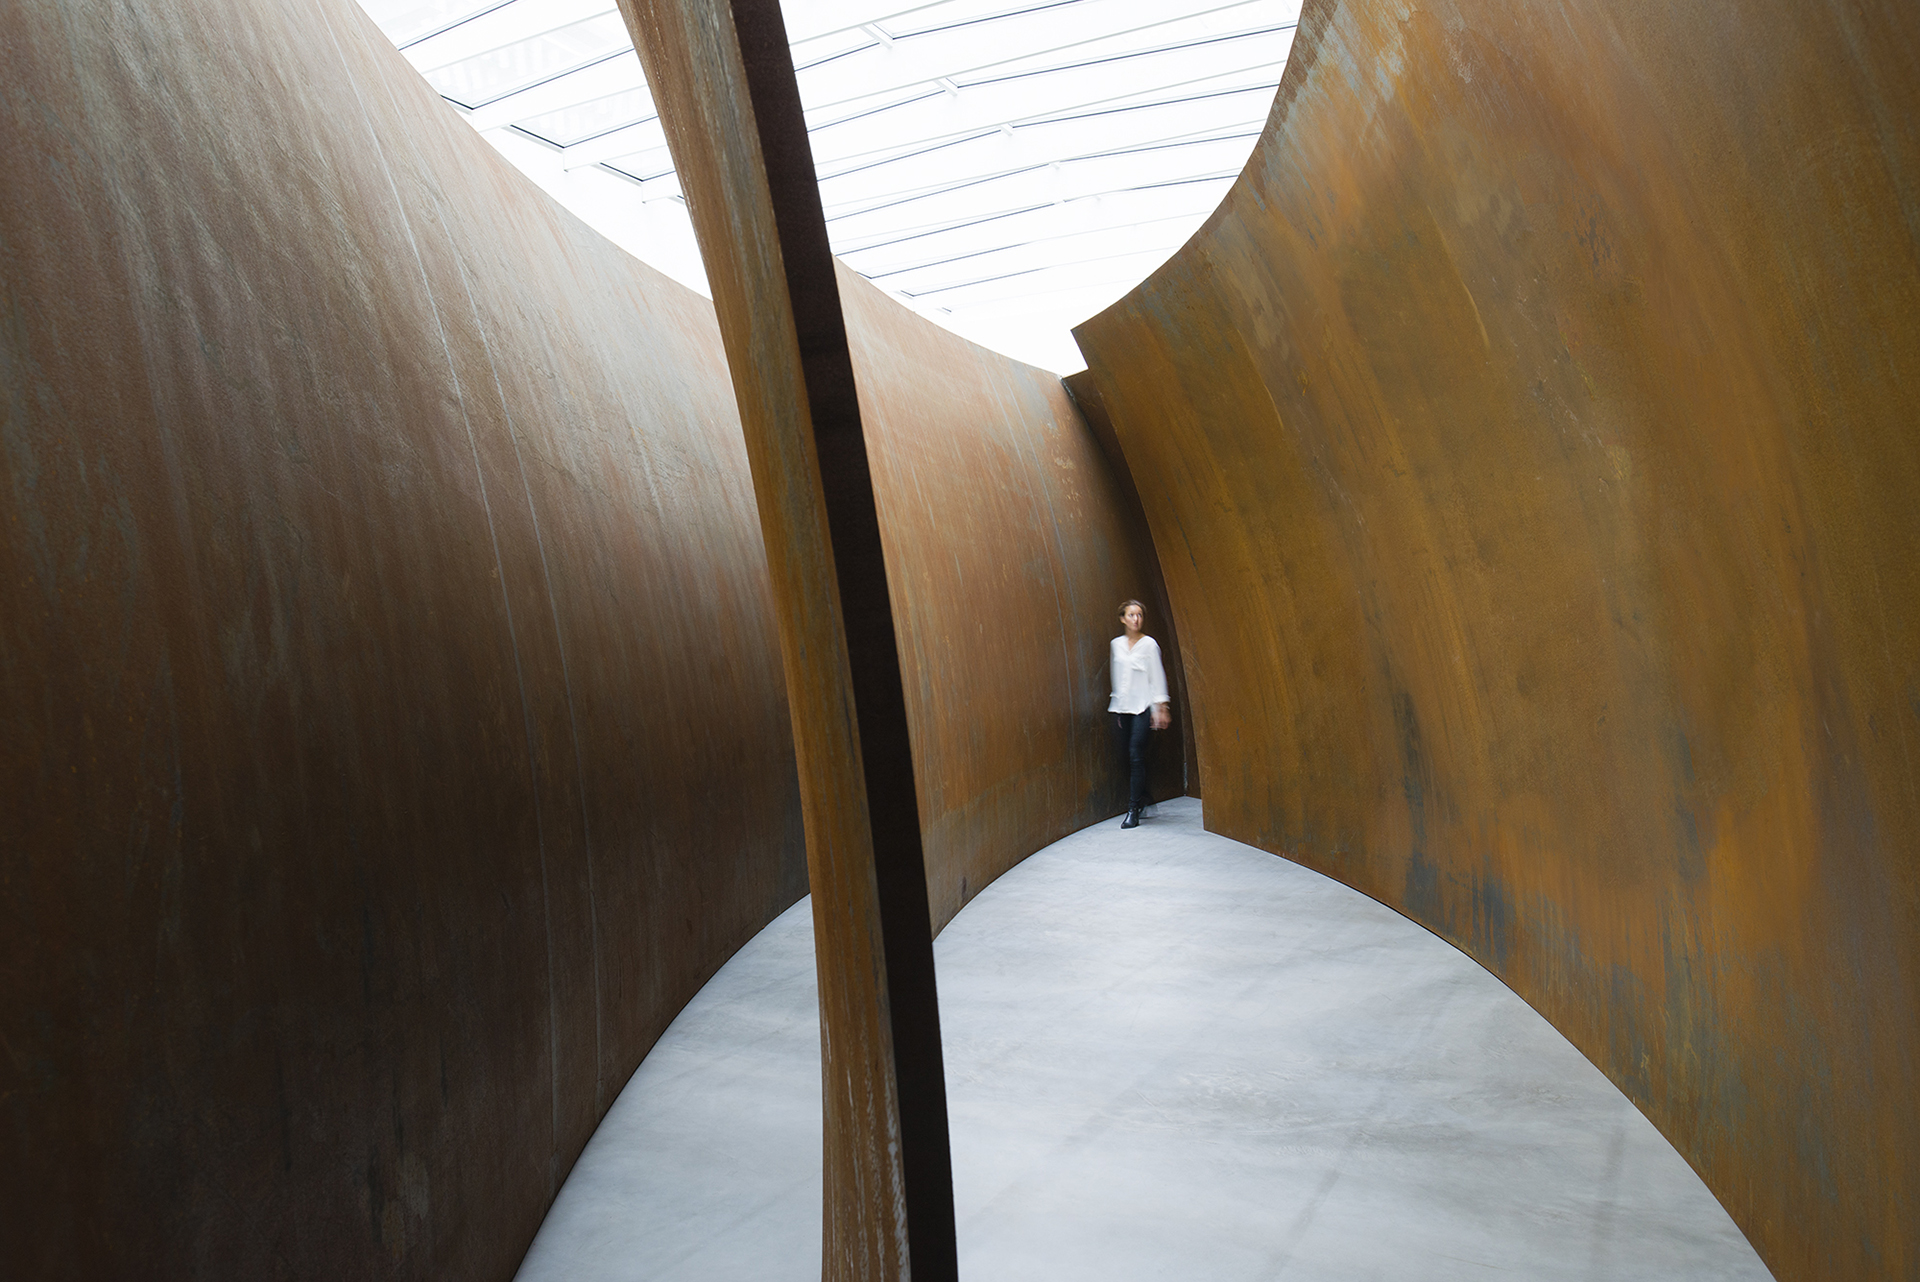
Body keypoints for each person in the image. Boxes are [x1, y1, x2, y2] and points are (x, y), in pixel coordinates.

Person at [1109, 599, 1170, 829]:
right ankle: (1144, 796)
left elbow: (1157, 676)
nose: (1136, 619)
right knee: (1126, 757)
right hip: (1121, 708)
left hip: (1143, 708)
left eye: (1140, 615)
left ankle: (1133, 809)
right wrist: (1116, 707)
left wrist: (1161, 708)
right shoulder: (1116, 644)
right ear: (1123, 618)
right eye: (1131, 615)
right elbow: (1117, 676)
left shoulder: (1149, 645)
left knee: (1136, 755)